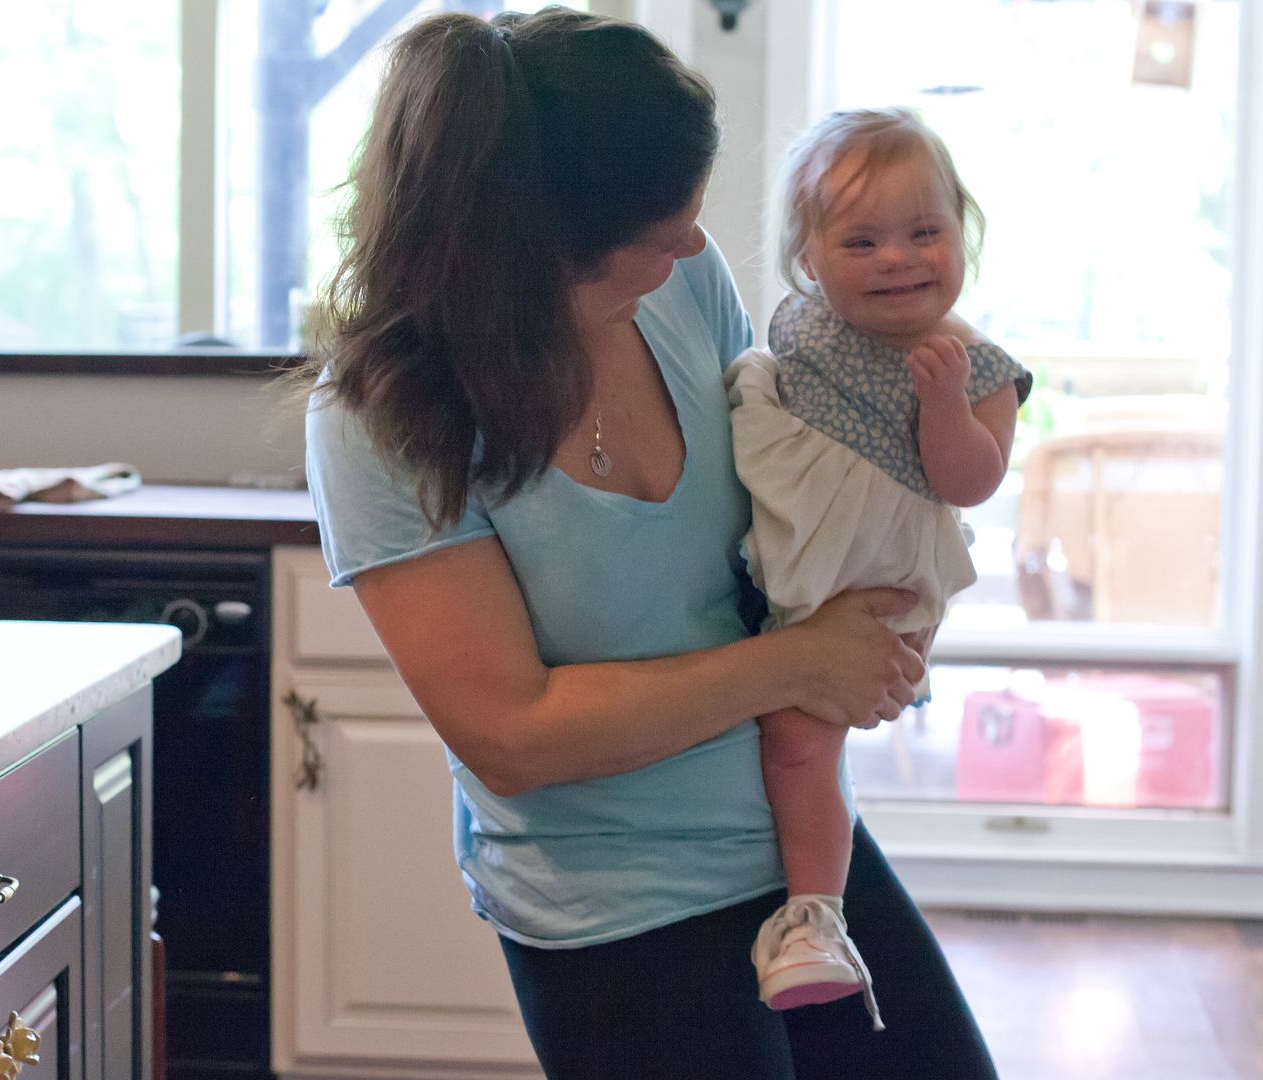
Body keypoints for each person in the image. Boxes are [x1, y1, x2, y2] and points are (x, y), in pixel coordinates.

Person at [297, 9, 1000, 1079]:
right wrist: (800, 663)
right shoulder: (380, 424)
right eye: (658, 232)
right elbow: (513, 733)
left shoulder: (679, 285)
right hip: (609, 907)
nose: (689, 247)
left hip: (791, 844)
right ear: (523, 255)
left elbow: (785, 495)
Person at [728, 108, 1031, 1026]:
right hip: (787, 555)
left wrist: (943, 403)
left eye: (924, 232)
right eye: (862, 240)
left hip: (881, 578)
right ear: (809, 259)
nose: (898, 257)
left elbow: (972, 483)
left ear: (962, 235)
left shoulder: (975, 366)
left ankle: (815, 917)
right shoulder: (803, 329)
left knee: (798, 738)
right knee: (773, 731)